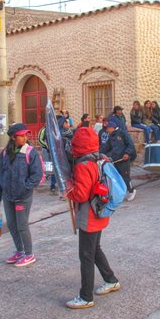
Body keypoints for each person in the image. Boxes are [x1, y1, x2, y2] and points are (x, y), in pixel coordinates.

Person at [65, 127, 121, 308]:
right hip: (101, 211)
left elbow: (81, 195)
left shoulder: (83, 165)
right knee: (95, 249)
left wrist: (68, 190)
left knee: (86, 255)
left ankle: (86, 296)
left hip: (89, 215)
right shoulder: (99, 158)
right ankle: (111, 280)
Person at [0, 123, 43, 267]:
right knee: (12, 225)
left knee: (22, 225)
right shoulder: (4, 153)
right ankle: (19, 251)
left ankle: (29, 254)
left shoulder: (30, 152)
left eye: (26, 135)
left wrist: (25, 187)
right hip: (8, 196)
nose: (25, 137)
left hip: (23, 196)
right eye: (22, 135)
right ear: (14, 137)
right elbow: (1, 176)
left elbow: (37, 175)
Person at [101, 121, 137, 201]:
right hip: (115, 160)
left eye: (107, 129)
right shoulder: (110, 137)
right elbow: (106, 147)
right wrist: (99, 153)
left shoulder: (122, 133)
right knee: (116, 177)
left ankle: (131, 190)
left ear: (112, 128)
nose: (107, 131)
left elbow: (130, 144)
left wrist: (127, 153)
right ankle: (120, 193)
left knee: (125, 176)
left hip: (124, 159)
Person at [37, 127, 56, 195]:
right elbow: (40, 139)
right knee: (48, 163)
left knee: (54, 165)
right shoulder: (43, 130)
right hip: (46, 150)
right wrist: (46, 146)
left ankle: (51, 177)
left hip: (54, 150)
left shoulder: (54, 129)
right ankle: (48, 175)